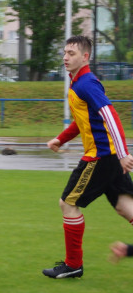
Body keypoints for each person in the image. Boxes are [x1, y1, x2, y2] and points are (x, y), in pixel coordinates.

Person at [43, 35, 133, 278]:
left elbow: (110, 116)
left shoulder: (86, 84)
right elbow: (84, 121)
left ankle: (73, 265)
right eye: (64, 52)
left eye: (71, 53)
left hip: (100, 157)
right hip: (110, 156)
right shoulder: (78, 84)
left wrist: (124, 153)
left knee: (68, 204)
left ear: (85, 57)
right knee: (126, 207)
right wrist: (60, 139)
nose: (65, 57)